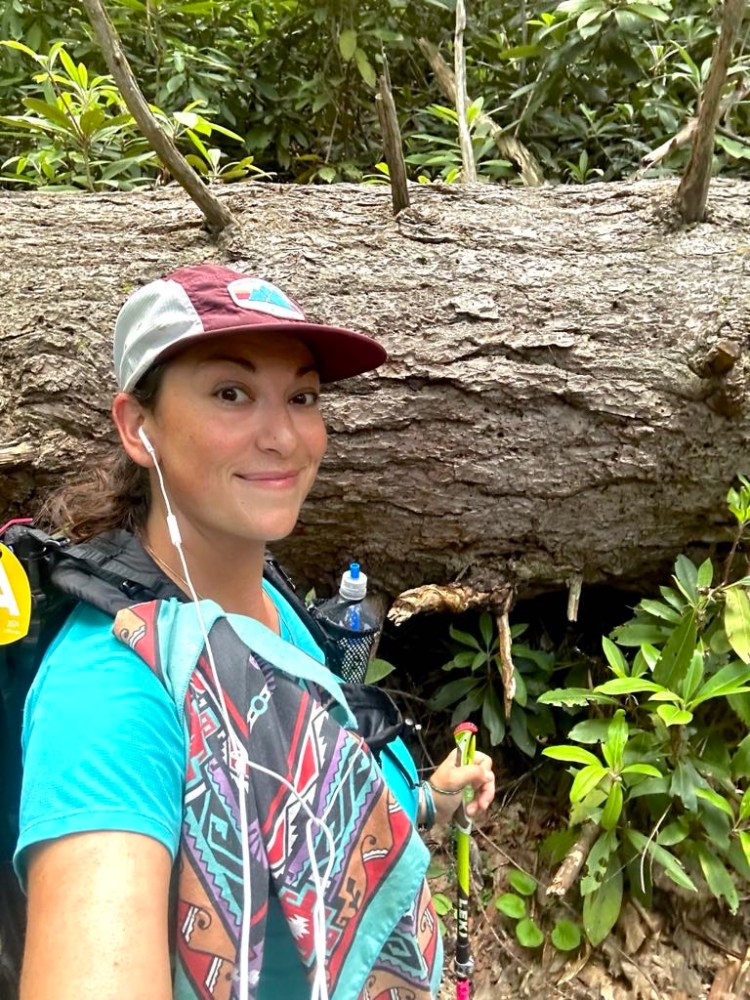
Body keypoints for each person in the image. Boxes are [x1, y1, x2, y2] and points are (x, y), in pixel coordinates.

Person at [15, 264, 495, 1000]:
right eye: (231, 393)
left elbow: (297, 800)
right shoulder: (110, 693)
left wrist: (428, 801)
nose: (284, 437)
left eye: (301, 396)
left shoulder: (262, 591)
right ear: (137, 427)